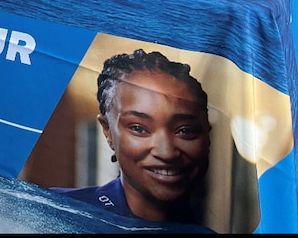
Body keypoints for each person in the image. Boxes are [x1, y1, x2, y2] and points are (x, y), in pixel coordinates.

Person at [56, 49, 213, 229]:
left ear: (206, 136)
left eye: (184, 130)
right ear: (107, 130)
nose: (167, 152)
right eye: (139, 128)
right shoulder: (56, 214)